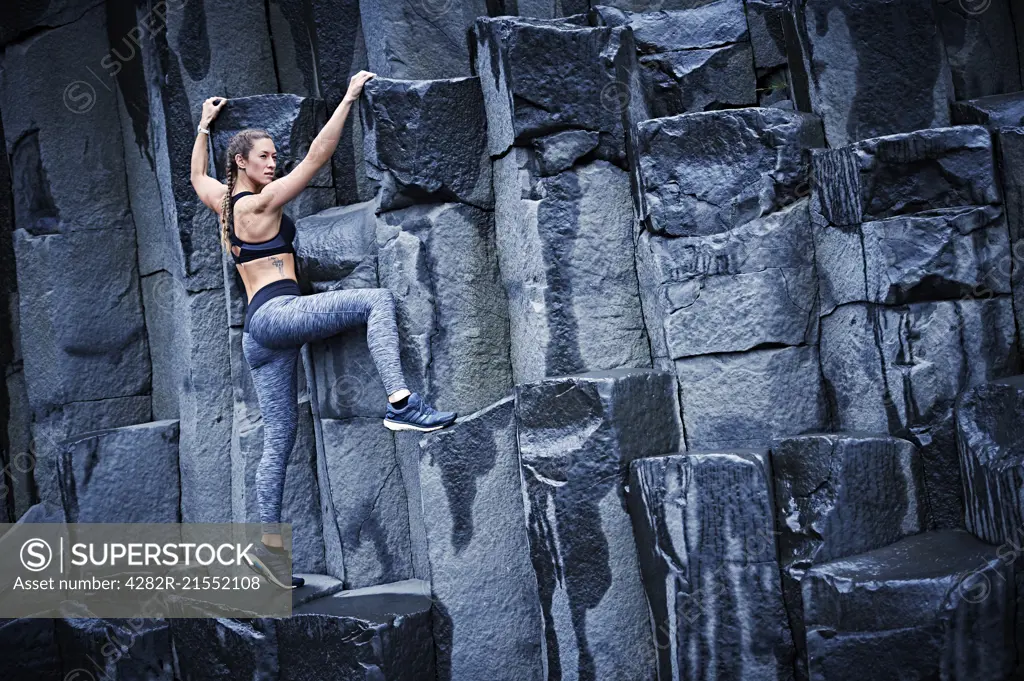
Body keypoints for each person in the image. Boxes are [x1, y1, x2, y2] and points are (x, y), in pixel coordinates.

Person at [189, 71, 457, 590]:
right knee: (376, 301)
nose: (274, 163)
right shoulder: (256, 204)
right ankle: (401, 403)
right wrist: (350, 97)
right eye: (265, 156)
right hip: (277, 315)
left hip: (259, 335)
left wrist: (203, 128)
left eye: (274, 156)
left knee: (278, 444)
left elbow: (197, 178)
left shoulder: (222, 203)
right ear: (241, 162)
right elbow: (316, 157)